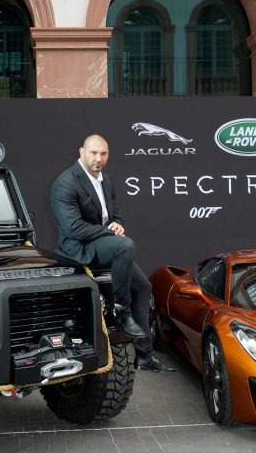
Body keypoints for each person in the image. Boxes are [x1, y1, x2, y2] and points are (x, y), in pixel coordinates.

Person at [50, 135, 176, 373]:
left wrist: (117, 224)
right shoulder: (65, 183)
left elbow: (113, 214)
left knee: (143, 287)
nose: (99, 159)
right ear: (81, 152)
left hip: (104, 241)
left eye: (104, 154)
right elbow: (73, 228)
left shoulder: (105, 180)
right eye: (94, 153)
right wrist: (109, 232)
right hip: (80, 248)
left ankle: (144, 356)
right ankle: (121, 309)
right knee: (125, 245)